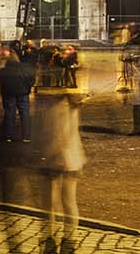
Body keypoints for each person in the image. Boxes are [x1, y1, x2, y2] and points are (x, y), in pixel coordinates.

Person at [34, 84, 89, 254]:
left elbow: (57, 135)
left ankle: (51, 239)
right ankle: (68, 240)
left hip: (56, 158)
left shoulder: (57, 106)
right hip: (72, 157)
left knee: (50, 203)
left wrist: (42, 156)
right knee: (68, 201)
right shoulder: (71, 103)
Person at [0, 44, 35, 144]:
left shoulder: (3, 71)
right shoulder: (24, 68)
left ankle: (9, 136)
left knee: (9, 114)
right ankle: (26, 136)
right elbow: (31, 78)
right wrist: (27, 88)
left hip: (9, 94)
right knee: (24, 114)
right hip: (23, 93)